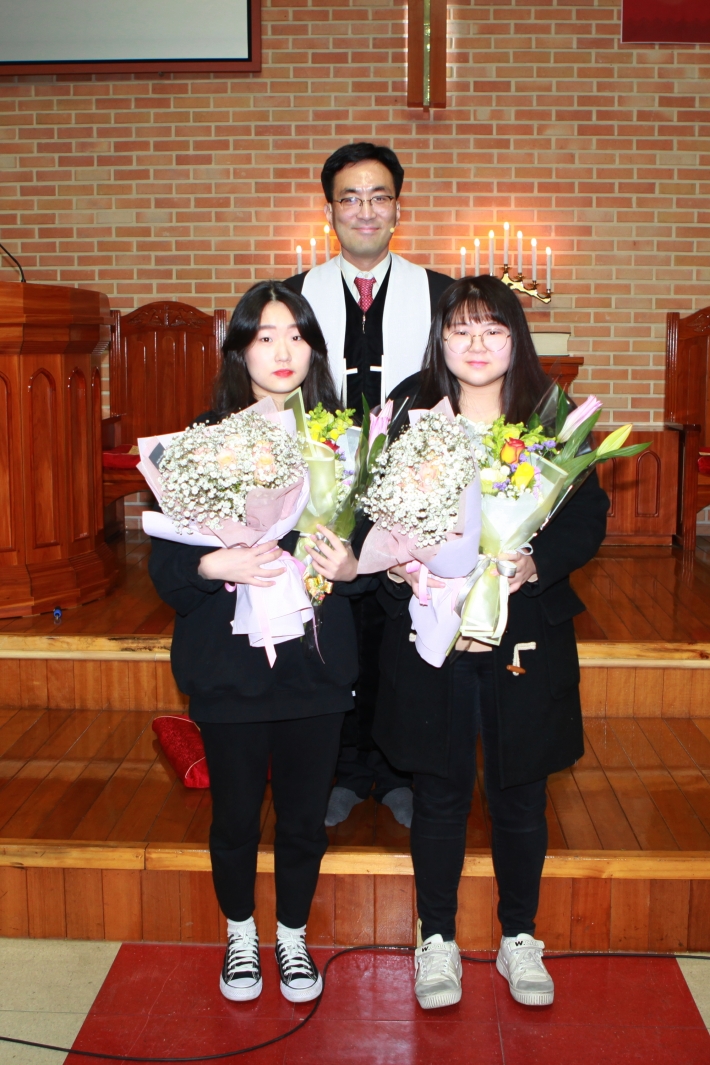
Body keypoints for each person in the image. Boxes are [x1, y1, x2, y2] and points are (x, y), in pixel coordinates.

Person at [371, 276, 610, 1010]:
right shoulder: (408, 415)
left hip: (524, 634)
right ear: (440, 341)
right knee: (439, 793)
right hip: (433, 637)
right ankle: (437, 939)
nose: (476, 345)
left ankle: (519, 936)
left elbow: (586, 518)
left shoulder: (551, 420)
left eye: (493, 330)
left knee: (521, 794)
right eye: (461, 330)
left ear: (515, 339)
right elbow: (371, 514)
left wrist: (536, 563)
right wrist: (403, 569)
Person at [149, 281, 360, 1005]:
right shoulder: (201, 442)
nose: (282, 351)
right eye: (265, 336)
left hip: (314, 665)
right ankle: (241, 933)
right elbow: (167, 570)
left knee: (303, 818)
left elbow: (372, 565)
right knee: (236, 817)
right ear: (239, 350)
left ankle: (292, 935)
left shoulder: (341, 443)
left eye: (296, 336)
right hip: (230, 666)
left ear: (314, 350)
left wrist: (351, 566)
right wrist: (216, 564)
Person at [285, 142, 454, 826]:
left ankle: (398, 770)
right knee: (334, 631)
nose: (365, 210)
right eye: (349, 198)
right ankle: (345, 770)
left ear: (398, 209)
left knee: (402, 634)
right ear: (329, 211)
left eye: (378, 197)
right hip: (322, 496)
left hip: (411, 492)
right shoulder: (293, 298)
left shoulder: (440, 295)